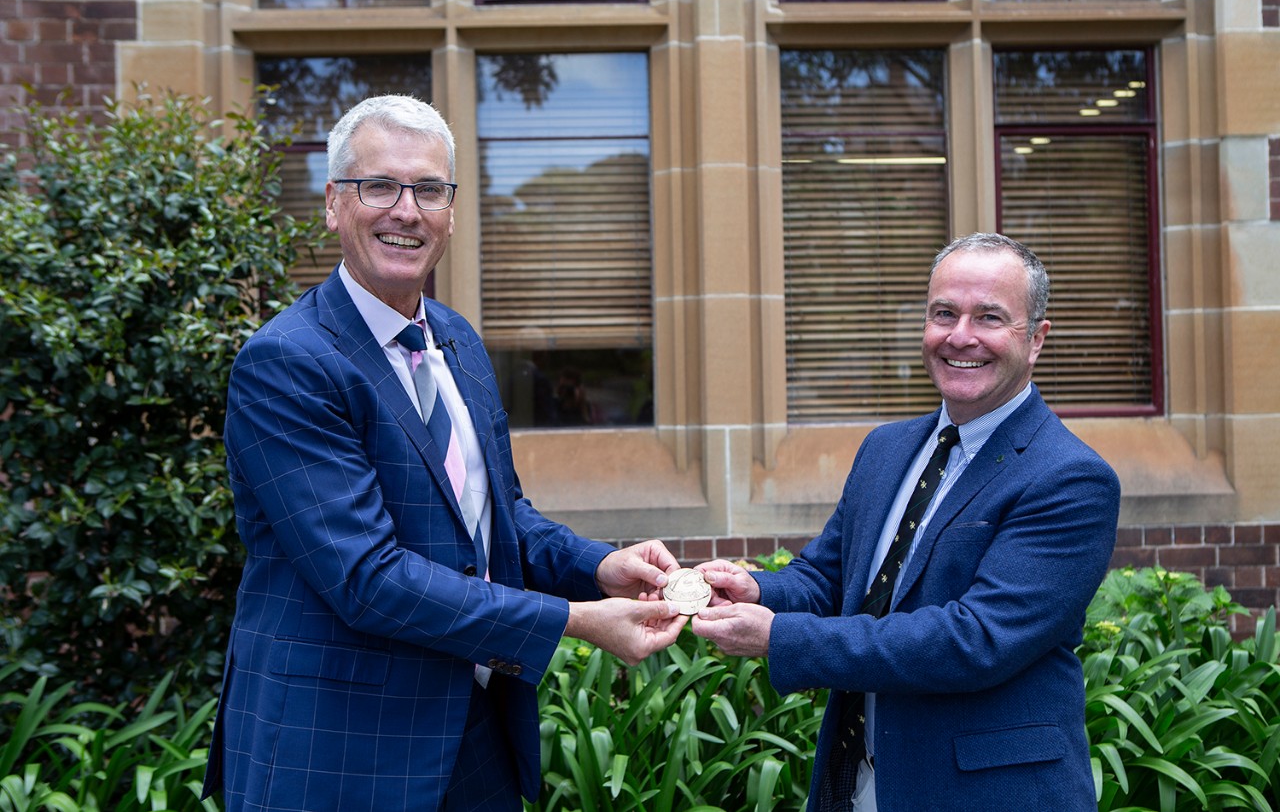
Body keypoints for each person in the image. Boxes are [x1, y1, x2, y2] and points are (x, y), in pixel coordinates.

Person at [201, 94, 686, 812]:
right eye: (379, 186)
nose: (406, 210)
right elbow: (368, 577)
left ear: (451, 213)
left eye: (429, 188)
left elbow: (499, 517)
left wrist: (599, 566)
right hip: (336, 756)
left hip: (473, 739)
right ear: (334, 203)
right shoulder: (287, 363)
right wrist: (574, 621)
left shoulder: (456, 340)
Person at [692, 232, 1120, 812]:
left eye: (989, 317)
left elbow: (973, 640)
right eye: (944, 313)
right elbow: (828, 578)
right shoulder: (886, 449)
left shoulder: (1069, 478)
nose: (960, 336)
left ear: (1036, 339)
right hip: (861, 782)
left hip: (989, 795)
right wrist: (755, 589)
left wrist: (778, 636)